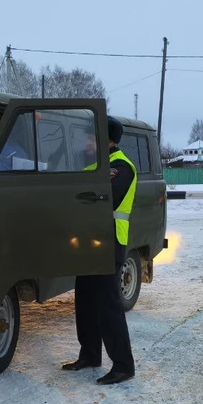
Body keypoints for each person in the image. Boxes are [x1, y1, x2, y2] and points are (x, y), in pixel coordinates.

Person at [62, 116, 137, 385]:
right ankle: (90, 354)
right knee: (86, 301)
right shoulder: (94, 167)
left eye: (93, 137)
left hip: (109, 241)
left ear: (111, 140)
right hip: (88, 241)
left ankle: (123, 365)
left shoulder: (121, 167)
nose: (88, 142)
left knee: (108, 304)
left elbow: (100, 199)